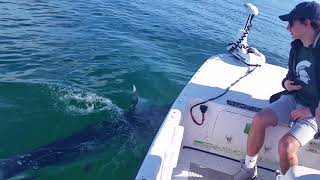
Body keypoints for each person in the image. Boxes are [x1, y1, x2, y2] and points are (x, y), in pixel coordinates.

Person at [234, 1, 320, 179]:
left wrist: (310, 110)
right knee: (258, 119)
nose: (287, 28)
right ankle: (249, 170)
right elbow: (291, 75)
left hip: (314, 111)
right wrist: (286, 83)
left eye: (291, 23)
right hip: (293, 99)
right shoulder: (297, 46)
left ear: (308, 23)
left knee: (286, 146)